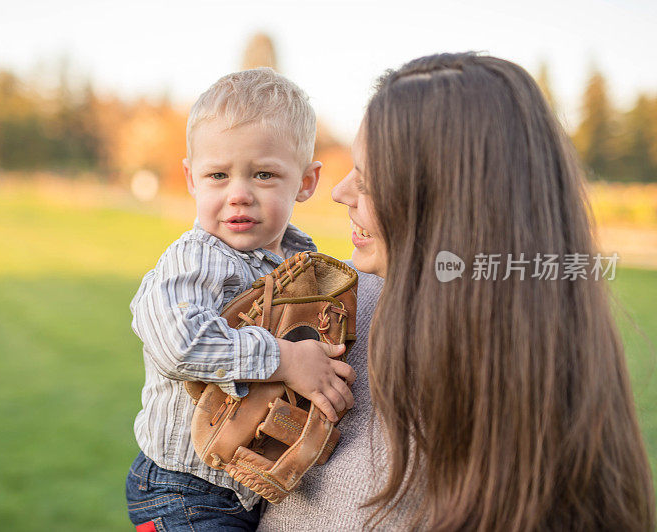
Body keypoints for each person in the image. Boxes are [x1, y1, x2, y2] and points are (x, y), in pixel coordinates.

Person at [261, 52, 655, 530]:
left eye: (367, 182)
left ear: (447, 205)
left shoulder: (540, 379)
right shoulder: (334, 300)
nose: (340, 192)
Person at [126, 67, 356, 531]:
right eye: (218, 175)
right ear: (192, 179)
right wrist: (285, 360)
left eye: (264, 175)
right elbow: (179, 344)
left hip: (250, 484)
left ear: (307, 182)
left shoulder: (302, 261)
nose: (238, 195)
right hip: (183, 490)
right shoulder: (196, 258)